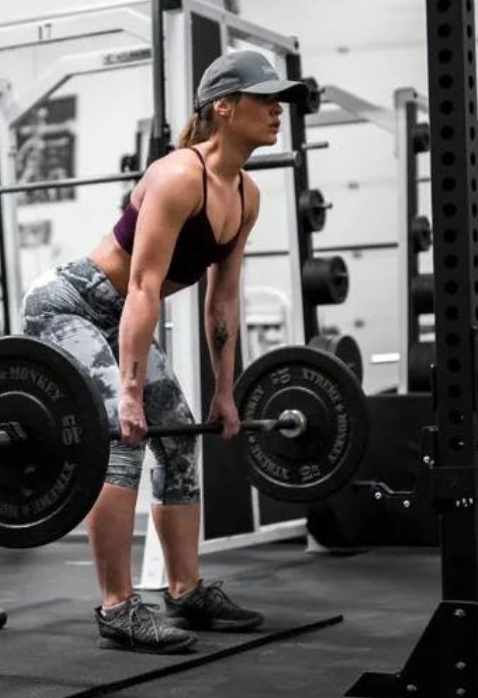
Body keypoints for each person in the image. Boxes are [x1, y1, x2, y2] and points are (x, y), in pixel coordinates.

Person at [21, 51, 307, 653]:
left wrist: (225, 391)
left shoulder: (245, 194)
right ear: (223, 107)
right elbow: (145, 286)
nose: (277, 109)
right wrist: (126, 395)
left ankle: (184, 589)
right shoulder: (180, 176)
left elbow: (221, 302)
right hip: (71, 305)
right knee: (122, 441)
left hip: (122, 314)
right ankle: (118, 608)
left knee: (177, 435)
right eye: (264, 98)